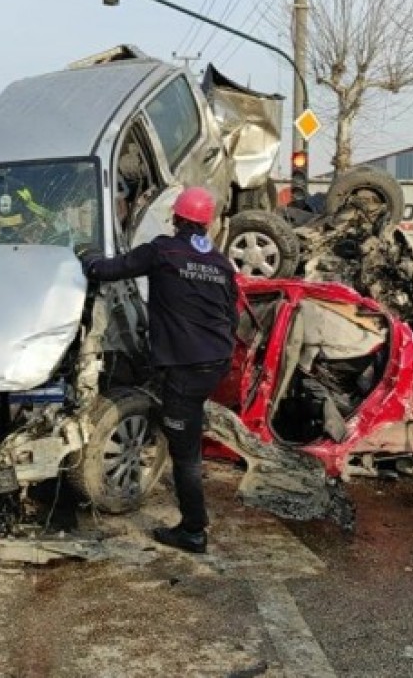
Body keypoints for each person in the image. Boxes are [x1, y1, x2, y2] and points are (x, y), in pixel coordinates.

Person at [76, 187, 238, 555]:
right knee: (184, 421)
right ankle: (173, 427)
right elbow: (232, 316)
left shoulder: (164, 250)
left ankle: (193, 531)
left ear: (176, 218)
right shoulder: (221, 263)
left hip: (186, 366)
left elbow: (107, 270)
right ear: (207, 224)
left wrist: (87, 254)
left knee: (186, 454)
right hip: (215, 363)